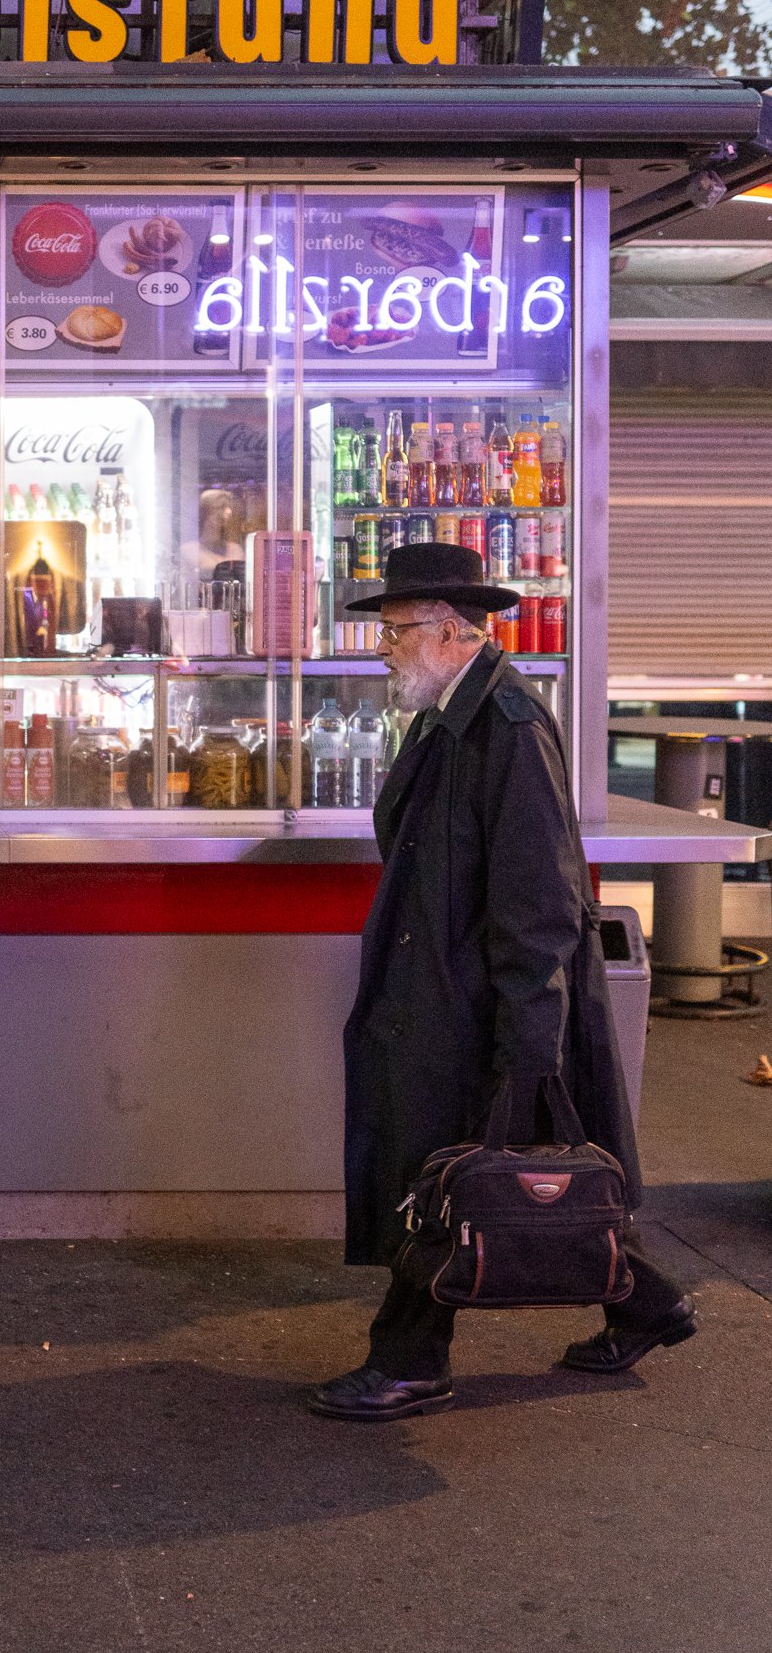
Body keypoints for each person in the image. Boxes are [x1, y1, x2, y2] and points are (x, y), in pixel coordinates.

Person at [309, 541, 695, 1422]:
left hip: (483, 999)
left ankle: (408, 1359)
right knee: (486, 1171)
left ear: (449, 630)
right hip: (451, 990)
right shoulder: (458, 711)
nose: (383, 649)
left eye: (395, 631)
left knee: (440, 1175)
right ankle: (646, 1302)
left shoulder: (508, 725)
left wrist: (528, 1036)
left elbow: (541, 895)